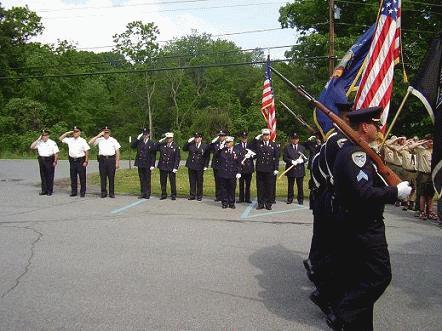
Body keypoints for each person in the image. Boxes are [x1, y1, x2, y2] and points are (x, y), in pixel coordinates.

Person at [328, 106, 411, 330]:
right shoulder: (355, 153)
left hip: (357, 224)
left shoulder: (356, 150)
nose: (379, 128)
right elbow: (363, 193)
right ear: (365, 127)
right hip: (364, 227)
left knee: (359, 277)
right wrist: (396, 192)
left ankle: (358, 325)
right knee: (379, 276)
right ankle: (342, 312)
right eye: (375, 124)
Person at [249, 128, 279, 210]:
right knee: (260, 187)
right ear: (262, 136)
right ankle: (260, 204)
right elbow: (250, 147)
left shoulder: (274, 145)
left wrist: (276, 168)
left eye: (267, 135)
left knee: (269, 187)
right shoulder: (258, 144)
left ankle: (268, 204)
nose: (266, 137)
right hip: (260, 169)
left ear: (269, 136)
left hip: (270, 169)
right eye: (264, 135)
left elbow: (276, 157)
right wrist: (255, 138)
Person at [89, 126, 121, 198]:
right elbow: (90, 142)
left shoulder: (113, 140)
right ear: (103, 133)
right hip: (102, 160)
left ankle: (111, 193)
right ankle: (103, 192)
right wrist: (98, 135)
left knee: (111, 177)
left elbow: (117, 151)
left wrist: (117, 162)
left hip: (111, 160)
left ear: (109, 133)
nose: (106, 134)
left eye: (107, 132)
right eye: (105, 132)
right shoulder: (99, 139)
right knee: (103, 177)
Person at [59, 126, 90, 197]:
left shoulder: (82, 140)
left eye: (76, 131)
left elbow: (86, 151)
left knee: (82, 177)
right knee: (73, 177)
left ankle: (82, 192)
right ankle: (74, 191)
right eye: (74, 131)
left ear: (79, 133)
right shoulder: (70, 140)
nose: (75, 133)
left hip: (80, 160)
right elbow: (60, 138)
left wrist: (86, 161)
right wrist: (67, 133)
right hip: (72, 160)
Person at [410, 136, 436, 220]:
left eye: (432, 141)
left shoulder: (435, 151)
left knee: (430, 194)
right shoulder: (421, 150)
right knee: (422, 194)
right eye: (429, 141)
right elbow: (411, 147)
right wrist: (422, 142)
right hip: (423, 174)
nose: (431, 143)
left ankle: (430, 211)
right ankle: (422, 211)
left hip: (432, 174)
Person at [30, 129, 59, 196]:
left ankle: (49, 191)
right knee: (43, 175)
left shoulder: (52, 142)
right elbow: (32, 147)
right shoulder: (39, 142)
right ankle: (44, 190)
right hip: (41, 159)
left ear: (48, 136)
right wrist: (38, 139)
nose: (44, 137)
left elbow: (56, 153)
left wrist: (55, 161)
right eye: (43, 135)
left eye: (46, 135)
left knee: (50, 176)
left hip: (49, 159)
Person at [215, 136, 241, 209]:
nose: (227, 144)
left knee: (232, 188)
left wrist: (239, 172)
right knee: (224, 188)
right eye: (226, 142)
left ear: (232, 142)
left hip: (232, 173)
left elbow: (238, 163)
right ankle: (225, 202)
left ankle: (231, 203)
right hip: (223, 173)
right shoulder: (222, 150)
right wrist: (219, 149)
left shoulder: (237, 151)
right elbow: (216, 156)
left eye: (228, 142)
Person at [183, 132, 210, 201]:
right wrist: (188, 142)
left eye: (198, 137)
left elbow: (207, 156)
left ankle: (199, 195)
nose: (196, 139)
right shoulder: (191, 145)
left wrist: (206, 165)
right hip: (191, 165)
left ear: (201, 138)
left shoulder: (205, 146)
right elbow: (184, 149)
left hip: (200, 166)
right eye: (195, 137)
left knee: (199, 181)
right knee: (192, 181)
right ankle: (192, 195)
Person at [131, 128, 157, 199]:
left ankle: (148, 193)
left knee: (147, 179)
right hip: (140, 163)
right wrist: (137, 139)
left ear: (148, 134)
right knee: (142, 179)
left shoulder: (152, 143)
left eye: (146, 134)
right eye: (144, 134)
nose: (145, 135)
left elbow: (153, 155)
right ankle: (143, 193)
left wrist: (152, 164)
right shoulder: (139, 142)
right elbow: (132, 146)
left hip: (148, 164)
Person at [283, 132, 307, 205]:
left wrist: (302, 160)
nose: (295, 140)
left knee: (300, 186)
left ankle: (300, 199)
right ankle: (290, 198)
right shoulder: (287, 147)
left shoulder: (302, 148)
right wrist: (291, 161)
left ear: (298, 139)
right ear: (291, 139)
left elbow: (306, 158)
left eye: (296, 139)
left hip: (300, 169)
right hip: (291, 169)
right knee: (290, 185)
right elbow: (284, 158)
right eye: (293, 139)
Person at [156, 132, 180, 200]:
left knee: (172, 182)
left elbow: (177, 158)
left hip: (171, 166)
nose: (168, 139)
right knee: (163, 181)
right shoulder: (162, 145)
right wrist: (160, 140)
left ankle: (173, 194)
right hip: (163, 166)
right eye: (167, 138)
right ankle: (163, 194)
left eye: (169, 138)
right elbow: (154, 147)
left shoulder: (176, 146)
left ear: (172, 138)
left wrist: (176, 167)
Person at [234, 131, 254, 203]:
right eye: (243, 138)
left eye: (245, 138)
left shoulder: (251, 145)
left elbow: (255, 155)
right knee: (241, 184)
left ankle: (247, 198)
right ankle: (241, 198)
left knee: (248, 184)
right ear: (241, 138)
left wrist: (251, 155)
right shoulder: (237, 146)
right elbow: (236, 155)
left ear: (247, 137)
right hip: (241, 168)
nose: (244, 139)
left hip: (249, 167)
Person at [209, 130, 227, 202]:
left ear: (225, 137)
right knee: (217, 181)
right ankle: (218, 196)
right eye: (220, 136)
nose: (221, 137)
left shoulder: (228, 143)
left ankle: (224, 196)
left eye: (222, 136)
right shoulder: (215, 144)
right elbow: (208, 149)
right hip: (216, 165)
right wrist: (212, 142)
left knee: (224, 181)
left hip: (224, 165)